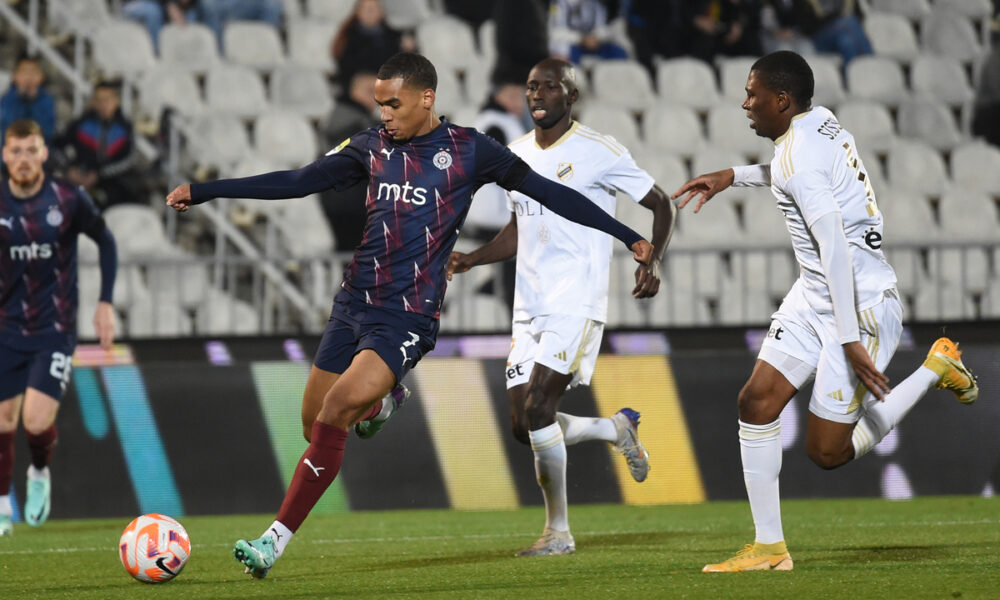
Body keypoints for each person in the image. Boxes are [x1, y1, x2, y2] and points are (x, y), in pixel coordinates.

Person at [164, 52, 653, 578]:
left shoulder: (469, 151)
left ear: (426, 98)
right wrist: (208, 191)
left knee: (334, 411)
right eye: (379, 104)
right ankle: (381, 406)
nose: (385, 114)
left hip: (406, 317)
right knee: (316, 426)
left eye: (393, 103)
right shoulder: (369, 147)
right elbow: (301, 179)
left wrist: (629, 236)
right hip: (352, 303)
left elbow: (554, 193)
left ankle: (271, 543)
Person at [670, 51, 979, 572]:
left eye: (753, 94)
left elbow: (832, 241)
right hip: (815, 295)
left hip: (857, 308)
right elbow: (791, 173)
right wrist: (733, 175)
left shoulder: (799, 159)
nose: (745, 103)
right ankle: (770, 549)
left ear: (782, 101)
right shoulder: (820, 121)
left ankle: (934, 368)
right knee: (756, 402)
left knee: (827, 453)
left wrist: (848, 339)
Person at [446, 58, 676, 556]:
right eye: (531, 87)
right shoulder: (517, 154)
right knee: (521, 425)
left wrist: (650, 259)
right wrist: (473, 260)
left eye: (549, 87)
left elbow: (660, 203)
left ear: (570, 96)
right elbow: (517, 227)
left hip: (576, 298)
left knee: (538, 407)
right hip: (528, 304)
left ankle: (559, 533)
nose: (537, 95)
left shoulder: (600, 152)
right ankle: (615, 429)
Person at [0, 119, 118, 536]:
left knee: (33, 421)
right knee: (2, 418)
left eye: (32, 150)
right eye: (16, 151)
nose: (24, 159)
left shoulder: (68, 199)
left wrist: (105, 302)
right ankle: (0, 506)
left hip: (54, 326)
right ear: (5, 155)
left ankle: (37, 473)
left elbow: (105, 241)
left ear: (44, 153)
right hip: (6, 327)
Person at [53, 81, 142, 210]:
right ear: (93, 102)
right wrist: (69, 169)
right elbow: (57, 146)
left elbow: (129, 159)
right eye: (99, 99)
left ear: (116, 101)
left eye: (107, 99)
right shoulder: (81, 124)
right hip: (78, 177)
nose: (103, 104)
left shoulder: (125, 128)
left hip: (111, 184)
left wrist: (99, 175)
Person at [331, 0, 415, 88]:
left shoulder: (393, 35)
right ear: (358, 12)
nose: (369, 12)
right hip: (359, 83)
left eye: (373, 8)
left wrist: (408, 49)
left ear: (381, 12)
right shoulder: (348, 35)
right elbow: (345, 66)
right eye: (365, 8)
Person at [0, 56, 56, 145]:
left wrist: (32, 101)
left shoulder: (47, 101)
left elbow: (47, 132)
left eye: (33, 72)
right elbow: (7, 129)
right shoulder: (6, 100)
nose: (28, 76)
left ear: (41, 77)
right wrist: (20, 98)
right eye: (24, 72)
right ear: (14, 76)